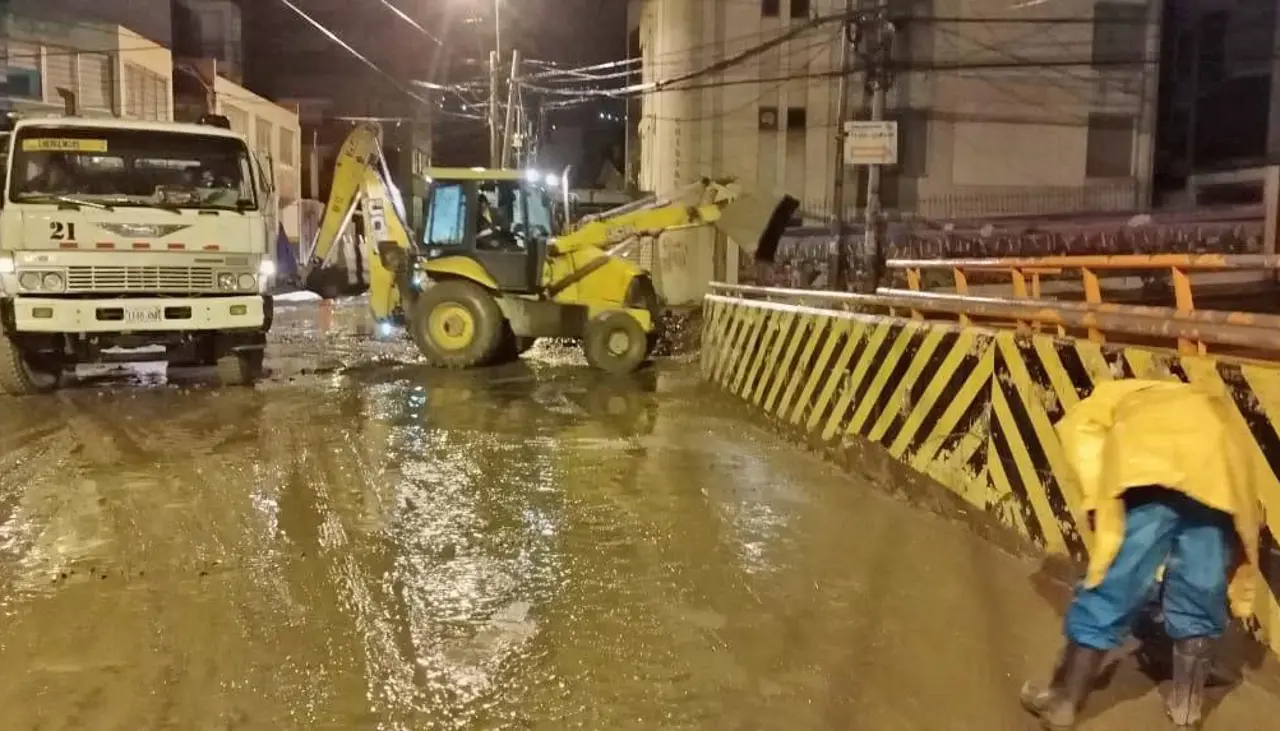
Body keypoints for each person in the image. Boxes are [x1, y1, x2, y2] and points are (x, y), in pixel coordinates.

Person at [1020, 379, 1261, 730]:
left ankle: (1062, 702)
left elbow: (1083, 441)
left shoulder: (1105, 401)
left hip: (1152, 471)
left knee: (1115, 580)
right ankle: (1186, 713)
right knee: (1199, 586)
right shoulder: (1194, 399)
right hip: (1217, 474)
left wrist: (1097, 505)